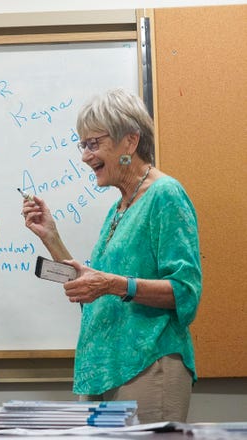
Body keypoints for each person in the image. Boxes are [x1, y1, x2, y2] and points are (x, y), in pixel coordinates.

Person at [21, 88, 201, 423]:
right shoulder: (119, 208)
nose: (85, 156)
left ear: (130, 142)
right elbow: (96, 287)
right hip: (103, 369)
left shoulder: (165, 195)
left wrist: (114, 285)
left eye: (93, 143)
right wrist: (52, 237)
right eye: (83, 145)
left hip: (148, 363)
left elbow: (186, 291)